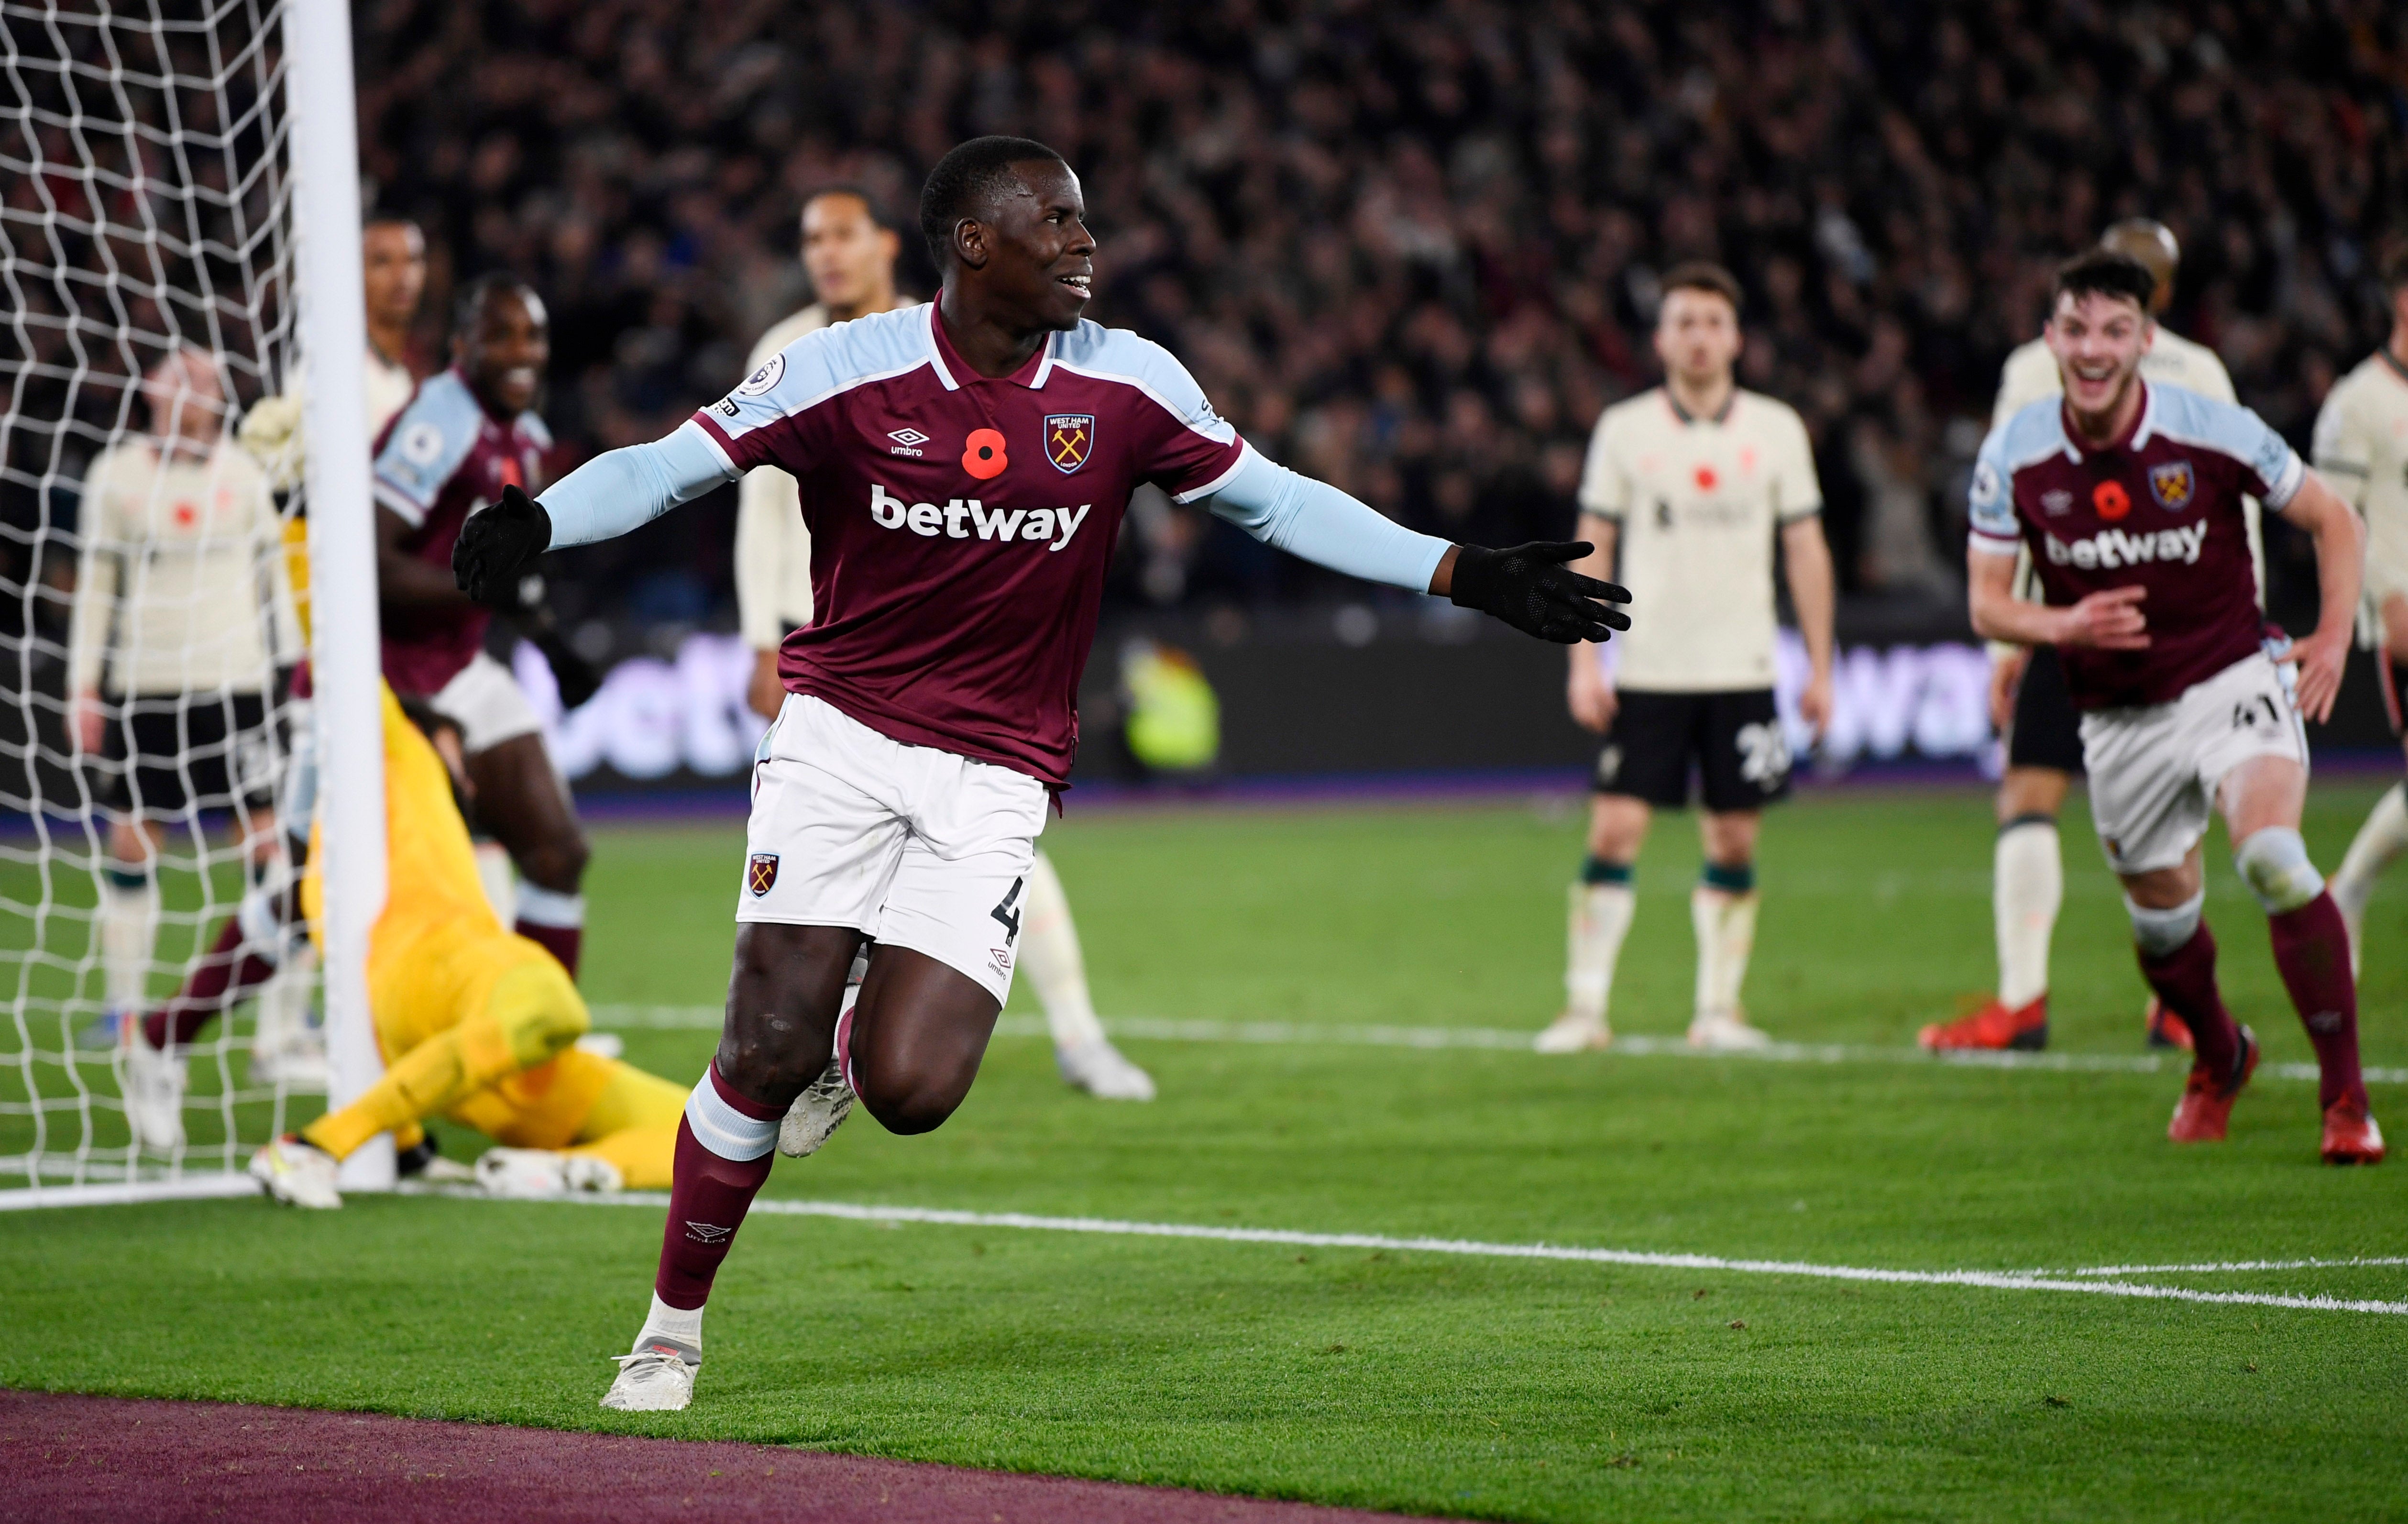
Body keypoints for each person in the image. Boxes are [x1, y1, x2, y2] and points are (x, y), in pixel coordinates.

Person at [451, 135, 1627, 1412]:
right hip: (838, 736)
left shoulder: (1124, 384)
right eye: (1057, 223)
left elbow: (1278, 503)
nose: (1085, 245)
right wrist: (545, 518)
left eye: (1083, 222)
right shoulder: (850, 366)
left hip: (998, 770)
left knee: (910, 1091)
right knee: (757, 1042)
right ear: (973, 243)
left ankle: (855, 1040)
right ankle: (670, 1329)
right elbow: (672, 465)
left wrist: (1463, 571)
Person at [735, 186, 1154, 1101]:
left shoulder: (973, 338)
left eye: (843, 235)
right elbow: (760, 514)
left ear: (890, 242)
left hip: (961, 649)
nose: (826, 255)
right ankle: (847, 1037)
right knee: (838, 870)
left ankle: (1076, 1037)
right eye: (810, 240)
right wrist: (763, 637)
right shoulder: (795, 353)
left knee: (996, 851)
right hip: (834, 652)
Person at [1964, 248, 2379, 1166]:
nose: (2095, 348)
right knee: (2161, 926)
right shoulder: (2016, 452)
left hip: (2233, 676)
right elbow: (1988, 601)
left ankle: (2346, 1099)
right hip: (2119, 718)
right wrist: (2064, 621)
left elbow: (2334, 519)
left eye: (2116, 330)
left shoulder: (2211, 427)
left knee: (2272, 855)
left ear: (2147, 340)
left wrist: (2336, 633)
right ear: (2051, 340)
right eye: (2077, 329)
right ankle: (2222, 1054)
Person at [127, 214, 439, 1129]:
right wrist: (318, 651)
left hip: (409, 660)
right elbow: (310, 526)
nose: (398, 277)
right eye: (379, 260)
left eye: (409, 259)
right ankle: (173, 1034)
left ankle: (405, 1052)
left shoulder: (403, 379)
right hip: (345, 669)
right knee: (311, 876)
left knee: (450, 838)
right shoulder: (327, 381)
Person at [1923, 220, 2252, 1053]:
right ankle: (2137, 1007)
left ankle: (2040, 1002)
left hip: (2155, 627)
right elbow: (2005, 504)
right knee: (2094, 799)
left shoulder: (2044, 368)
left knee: (2045, 796)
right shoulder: (2193, 369)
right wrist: (2010, 643)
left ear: (2157, 301)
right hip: (2083, 625)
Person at [1536, 262, 1835, 1055]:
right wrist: (1582, 661)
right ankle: (1585, 1010)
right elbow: (1592, 546)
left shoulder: (1775, 429)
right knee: (1614, 831)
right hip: (1651, 668)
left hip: (1743, 668)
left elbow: (1805, 547)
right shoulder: (1626, 429)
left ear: (1736, 337)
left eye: (1713, 321)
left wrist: (1822, 665)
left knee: (1735, 840)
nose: (1699, 336)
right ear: (1662, 337)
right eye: (1684, 322)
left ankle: (1719, 1013)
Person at [246, 685, 685, 1208]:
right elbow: (341, 646)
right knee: (556, 1008)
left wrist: (409, 1147)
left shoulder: (338, 863)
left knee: (720, 1135)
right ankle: (315, 1144)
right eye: (457, 750)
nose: (470, 781)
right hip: (456, 977)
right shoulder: (399, 756)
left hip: (472, 1048)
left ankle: (556, 1171)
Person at [70, 347, 295, 1088]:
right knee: (133, 841)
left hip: (238, 685)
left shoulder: (245, 473)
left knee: (271, 846)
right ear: (151, 394)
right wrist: (84, 687)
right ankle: (125, 1006)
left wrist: (294, 673)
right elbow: (97, 588)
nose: (193, 396)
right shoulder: (117, 476)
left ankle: (282, 1024)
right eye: (180, 381)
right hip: (146, 683)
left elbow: (273, 584)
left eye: (205, 385)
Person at [372, 274, 591, 977]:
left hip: (457, 666)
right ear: (462, 345)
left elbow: (502, 574)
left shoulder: (524, 434)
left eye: (533, 335)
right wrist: (476, 591)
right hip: (383, 677)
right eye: (501, 335)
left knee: (557, 852)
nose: (521, 351)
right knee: (320, 886)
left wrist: (554, 647)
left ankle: (536, 1038)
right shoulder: (440, 420)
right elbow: (368, 561)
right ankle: (167, 1034)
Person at [2317, 249, 2408, 965]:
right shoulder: (2357, 402)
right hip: (2400, 610)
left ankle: (2346, 886)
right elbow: (2334, 519)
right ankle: (2347, 888)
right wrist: (2381, 599)